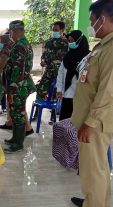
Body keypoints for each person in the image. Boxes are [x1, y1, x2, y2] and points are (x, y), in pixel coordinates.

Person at [70, 1, 113, 207]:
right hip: (92, 120)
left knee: (92, 171)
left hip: (94, 123)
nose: (91, 25)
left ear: (102, 19)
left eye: (93, 20)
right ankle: (96, 202)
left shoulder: (111, 49)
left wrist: (90, 122)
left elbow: (108, 92)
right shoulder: (103, 45)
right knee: (98, 168)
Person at [4, 20, 36, 153]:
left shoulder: (19, 46)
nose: (10, 34)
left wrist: (11, 91)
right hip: (22, 84)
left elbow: (18, 71)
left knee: (17, 113)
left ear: (16, 31)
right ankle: (15, 138)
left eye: (11, 31)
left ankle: (18, 143)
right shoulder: (25, 44)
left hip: (18, 86)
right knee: (17, 112)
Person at [33, 21, 68, 120]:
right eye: (53, 30)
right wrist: (43, 61)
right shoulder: (49, 42)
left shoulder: (66, 43)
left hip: (59, 74)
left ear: (62, 30)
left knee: (56, 94)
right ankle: (37, 112)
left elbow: (63, 59)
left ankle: (54, 116)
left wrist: (51, 62)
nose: (54, 32)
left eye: (56, 30)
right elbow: (44, 55)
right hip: (48, 72)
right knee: (40, 90)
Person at [56, 30, 90, 121]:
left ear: (80, 40)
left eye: (72, 40)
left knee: (78, 122)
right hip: (67, 94)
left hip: (82, 96)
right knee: (65, 121)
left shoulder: (89, 57)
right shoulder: (67, 56)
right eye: (69, 41)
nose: (70, 43)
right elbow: (61, 73)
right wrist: (59, 89)